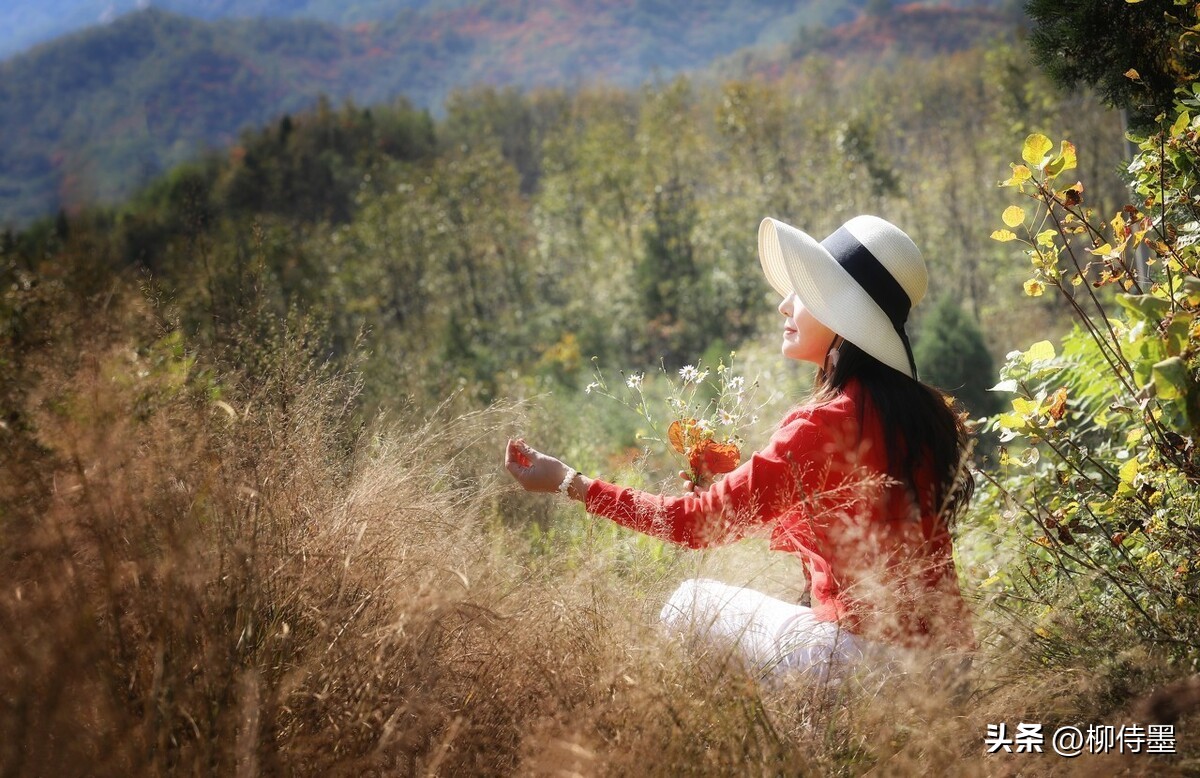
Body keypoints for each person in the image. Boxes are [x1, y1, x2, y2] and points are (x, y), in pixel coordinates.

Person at [505, 215, 977, 680]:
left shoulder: (823, 424)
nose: (785, 306)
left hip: (877, 672)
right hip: (949, 671)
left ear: (843, 316)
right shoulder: (916, 414)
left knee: (688, 604)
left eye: (805, 293)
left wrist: (570, 483)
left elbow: (695, 526)